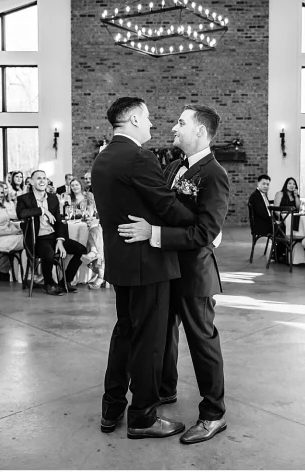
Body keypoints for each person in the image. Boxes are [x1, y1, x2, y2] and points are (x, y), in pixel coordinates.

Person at [119, 103, 229, 444]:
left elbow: (205, 232)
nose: (173, 128)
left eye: (181, 123)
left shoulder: (214, 175)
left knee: (202, 342)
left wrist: (153, 233)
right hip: (165, 270)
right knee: (164, 334)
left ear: (200, 131)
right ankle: (165, 389)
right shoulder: (174, 167)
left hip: (194, 274)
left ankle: (213, 414)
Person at [93, 96, 195, 440]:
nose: (152, 123)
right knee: (150, 341)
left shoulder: (103, 157)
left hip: (121, 263)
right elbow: (167, 206)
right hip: (148, 263)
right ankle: (142, 416)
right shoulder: (139, 156)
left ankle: (111, 408)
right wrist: (201, 223)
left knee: (124, 333)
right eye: (148, 117)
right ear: (134, 119)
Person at [16, 170, 86, 295]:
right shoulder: (24, 199)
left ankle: (65, 281)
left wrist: (60, 240)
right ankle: (48, 284)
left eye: (44, 178)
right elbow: (21, 214)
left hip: (53, 236)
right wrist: (42, 210)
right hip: (37, 239)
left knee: (81, 249)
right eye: (38, 178)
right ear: (31, 182)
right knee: (49, 254)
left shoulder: (53, 198)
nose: (42, 181)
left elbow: (58, 221)